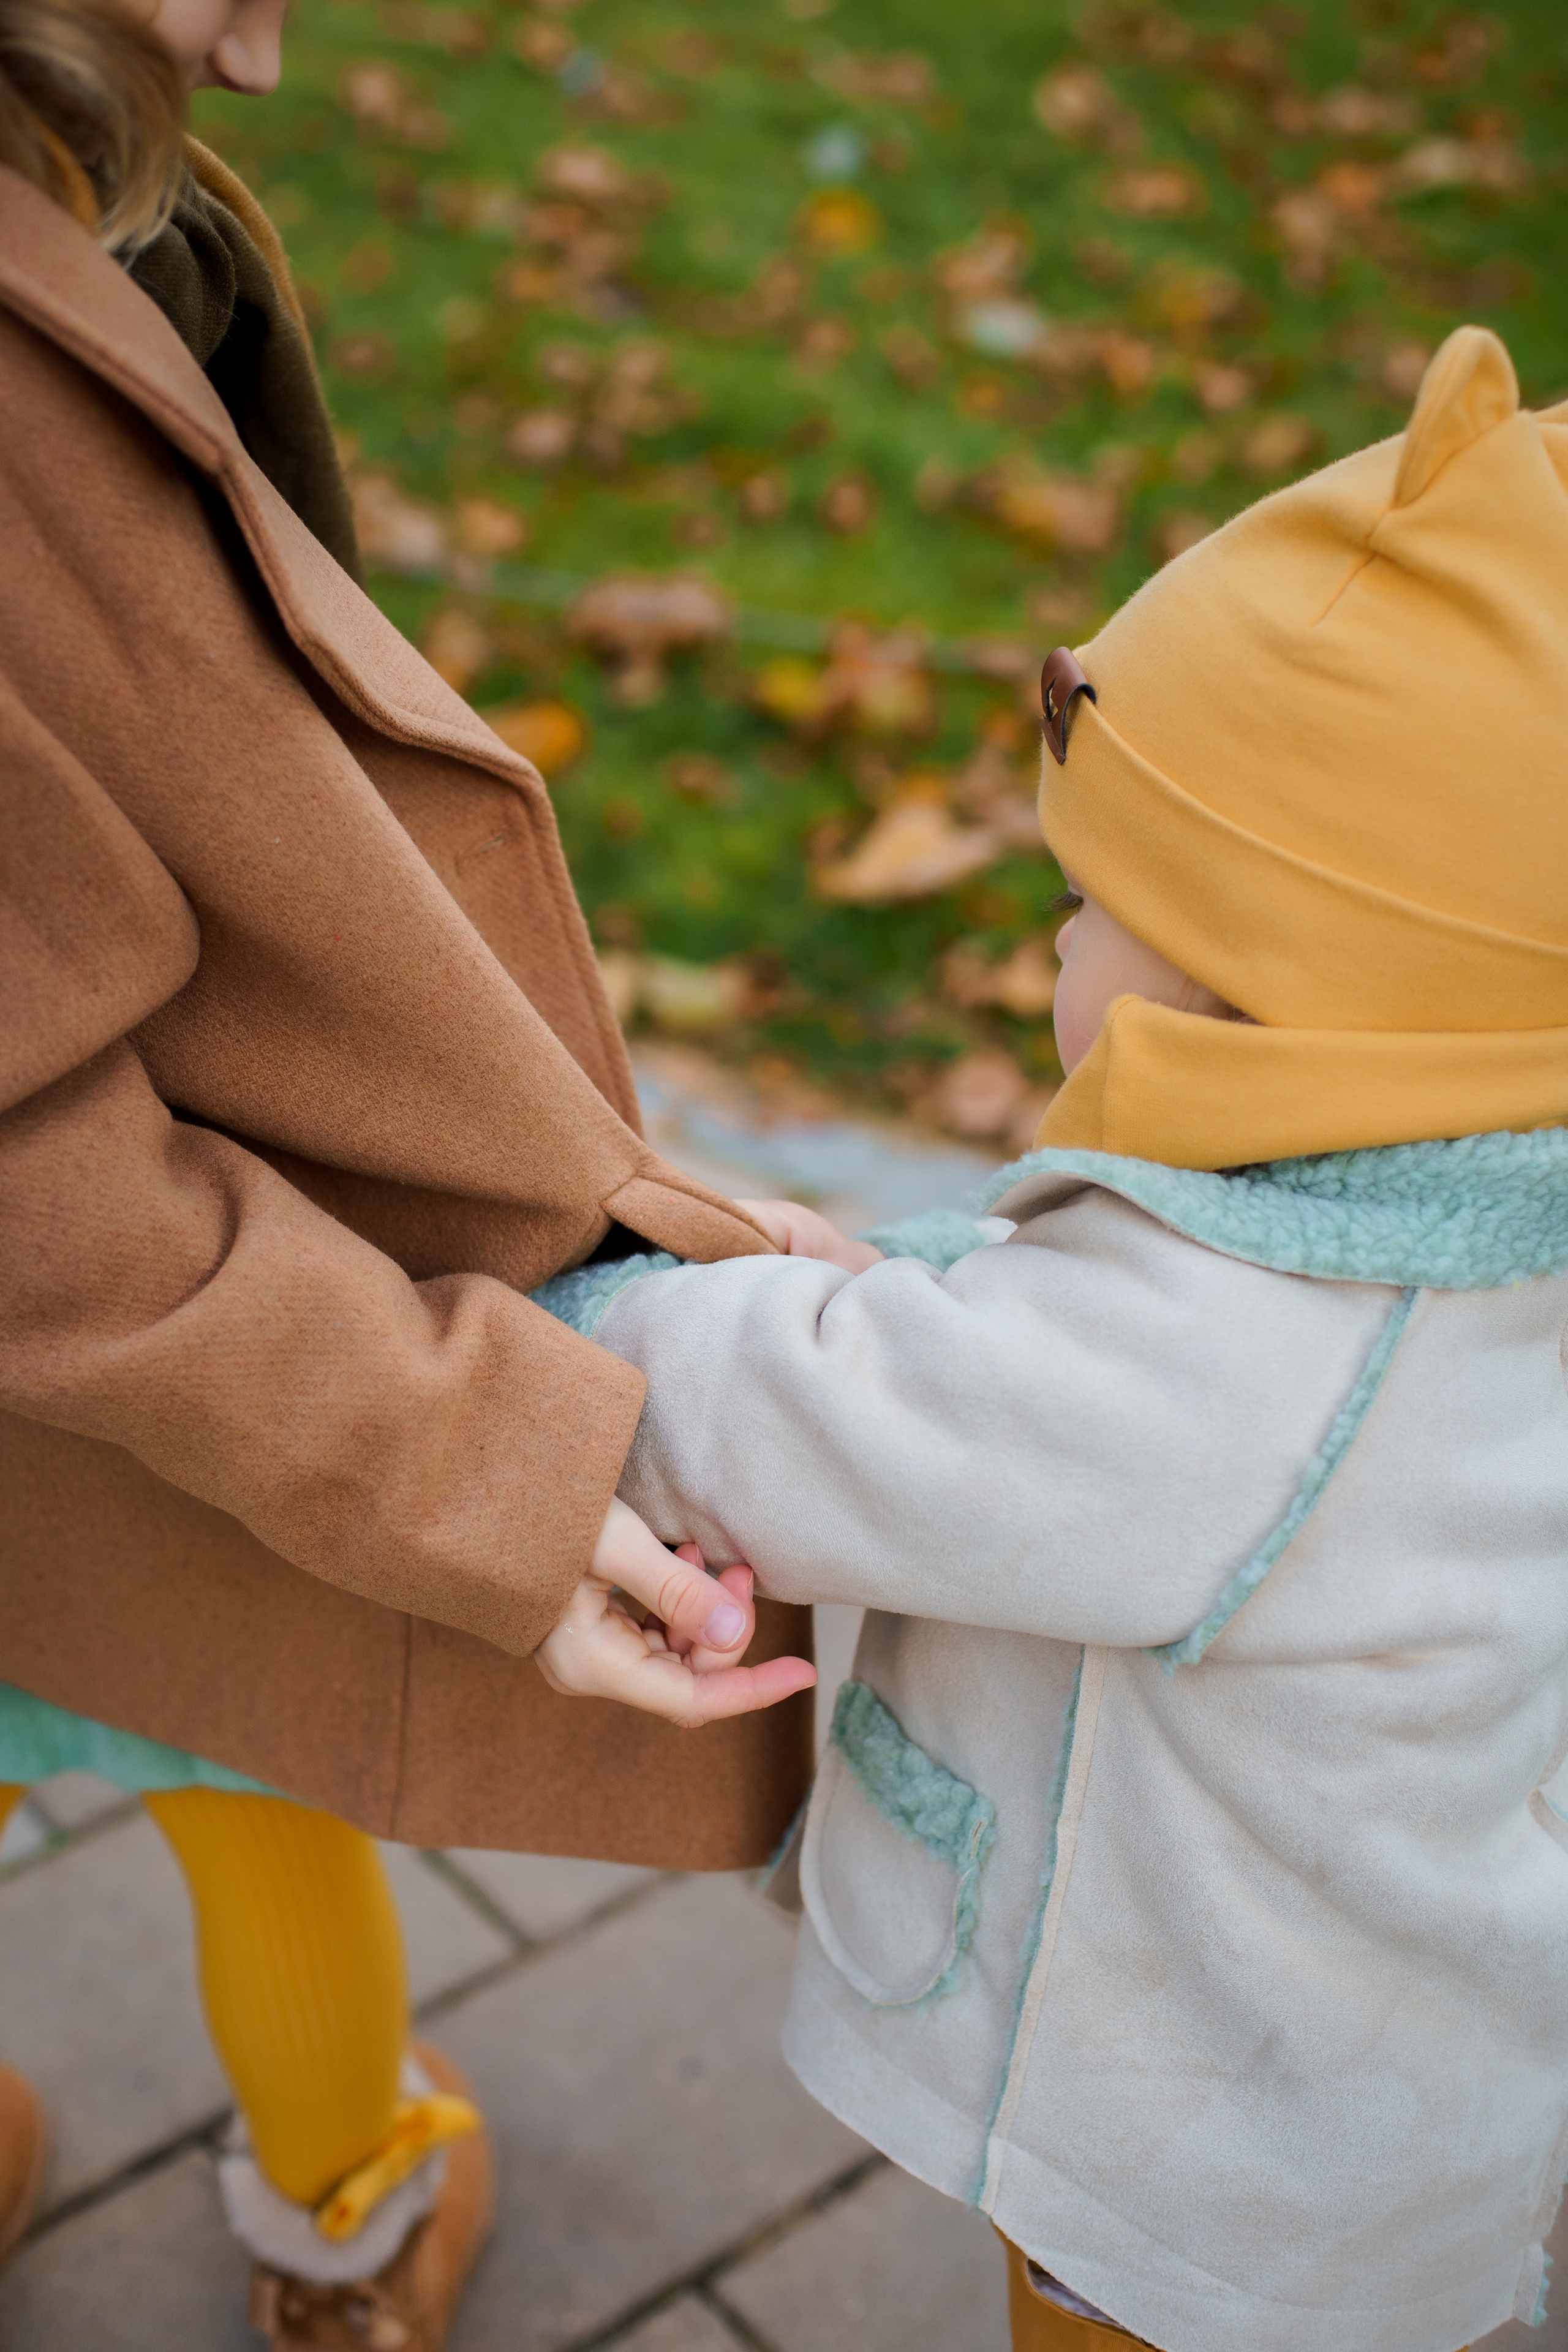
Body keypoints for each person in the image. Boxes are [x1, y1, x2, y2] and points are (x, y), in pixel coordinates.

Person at [540, 326, 1568, 2351]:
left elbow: (824, 1423)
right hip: (1397, 2085)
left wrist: (595, 1313)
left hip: (1193, 2182)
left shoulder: (1238, 1358)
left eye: (1095, 903)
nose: (1051, 943)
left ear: (1285, 1006)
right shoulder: (1484, 1251)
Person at [0, 0, 820, 2337]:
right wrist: (459, 1450)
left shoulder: (74, 181)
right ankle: (345, 2222)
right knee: (248, 1780)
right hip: (169, 1380)